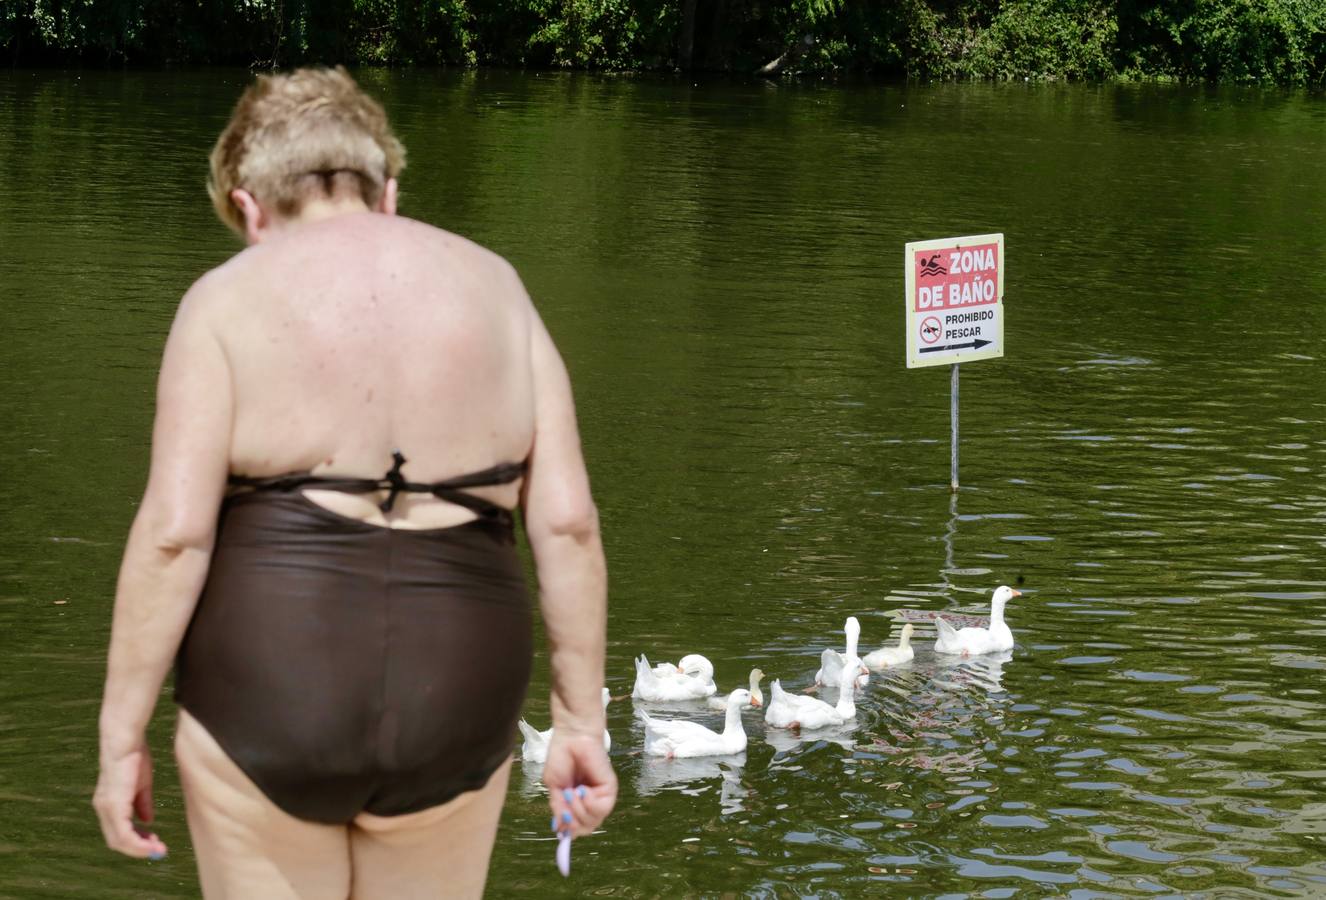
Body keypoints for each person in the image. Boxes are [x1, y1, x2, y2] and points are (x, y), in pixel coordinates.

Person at [92, 66, 615, 898]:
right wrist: (580, 720)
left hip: (272, 680)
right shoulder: (500, 290)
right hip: (460, 687)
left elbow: (175, 535)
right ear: (389, 191)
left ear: (248, 207)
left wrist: (122, 738)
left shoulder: (223, 301)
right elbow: (568, 526)